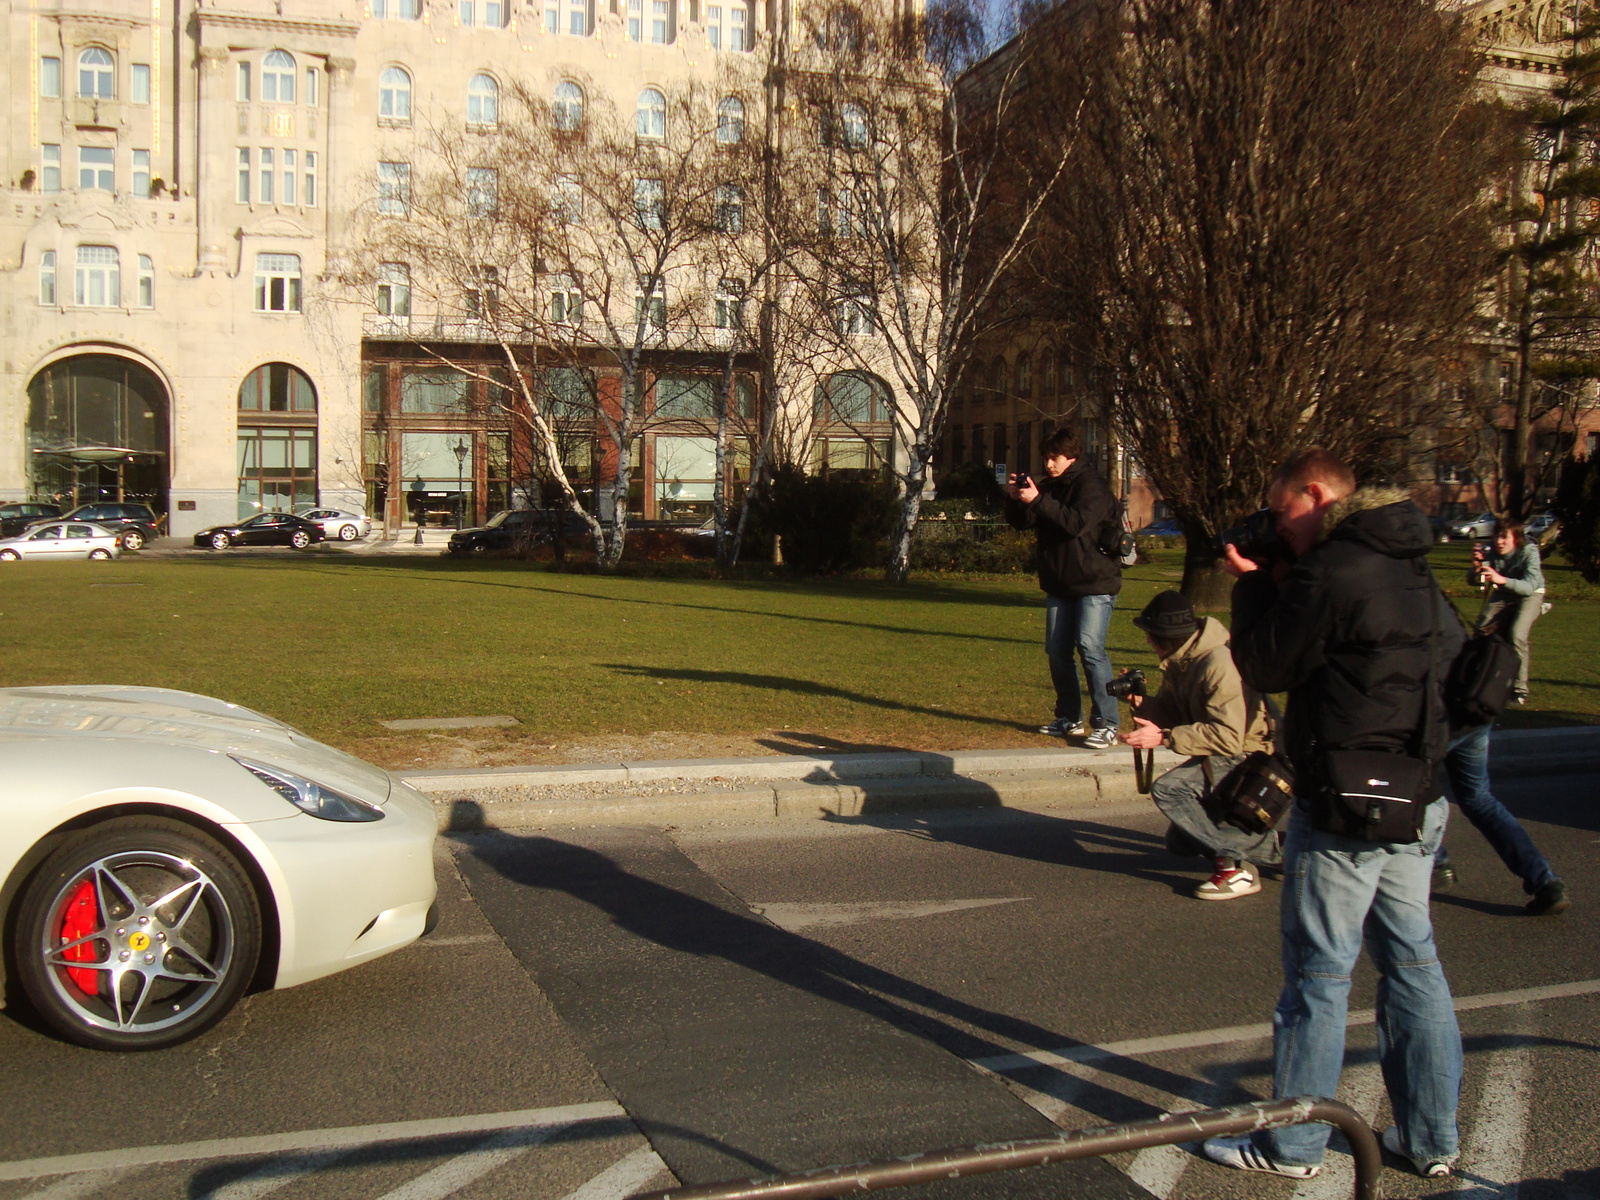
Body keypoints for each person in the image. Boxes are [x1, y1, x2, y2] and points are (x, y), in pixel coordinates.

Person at [1203, 448, 1464, 1181]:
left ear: (1316, 496)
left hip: (1345, 800)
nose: (1277, 528)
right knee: (1413, 965)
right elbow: (1454, 665)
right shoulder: (1409, 562)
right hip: (1417, 795)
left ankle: (1292, 1145)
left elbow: (1268, 666)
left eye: (1282, 512)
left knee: (1317, 978)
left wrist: (1254, 590)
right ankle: (1431, 1139)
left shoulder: (1331, 569)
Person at [1117, 590, 1282, 900]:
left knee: (1170, 790)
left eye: (1150, 636)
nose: (1148, 642)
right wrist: (1141, 702)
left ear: (1165, 639)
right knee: (1180, 843)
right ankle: (1281, 849)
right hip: (1224, 750)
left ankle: (1238, 869)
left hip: (1249, 754)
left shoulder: (1219, 664)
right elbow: (1175, 712)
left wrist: (1165, 737)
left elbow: (1229, 738)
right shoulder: (1181, 660)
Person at [1005, 428, 1121, 748]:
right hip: (1060, 582)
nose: (1049, 464)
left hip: (1095, 582)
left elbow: (1076, 523)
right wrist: (1017, 500)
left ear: (1071, 456)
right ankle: (1070, 717)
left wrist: (1040, 499)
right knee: (1057, 651)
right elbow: (1024, 521)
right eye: (1045, 458)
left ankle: (1107, 722)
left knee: (1090, 648)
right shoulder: (1051, 487)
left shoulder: (1092, 486)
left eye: (1054, 458)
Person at [1432, 722, 1571, 914]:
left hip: (1434, 720)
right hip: (1475, 716)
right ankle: (1545, 882)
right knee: (1480, 800)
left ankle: (1435, 860)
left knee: (1414, 791)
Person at [1470, 518, 1545, 705]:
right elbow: (1473, 581)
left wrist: (1501, 579)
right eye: (1496, 536)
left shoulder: (1529, 551)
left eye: (1504, 537)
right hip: (1504, 593)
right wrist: (1476, 567)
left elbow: (1529, 586)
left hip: (1530, 594)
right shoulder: (1490, 550)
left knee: (1516, 634)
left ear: (1516, 538)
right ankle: (1477, 676)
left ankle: (1519, 689)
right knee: (1481, 629)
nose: (1498, 541)